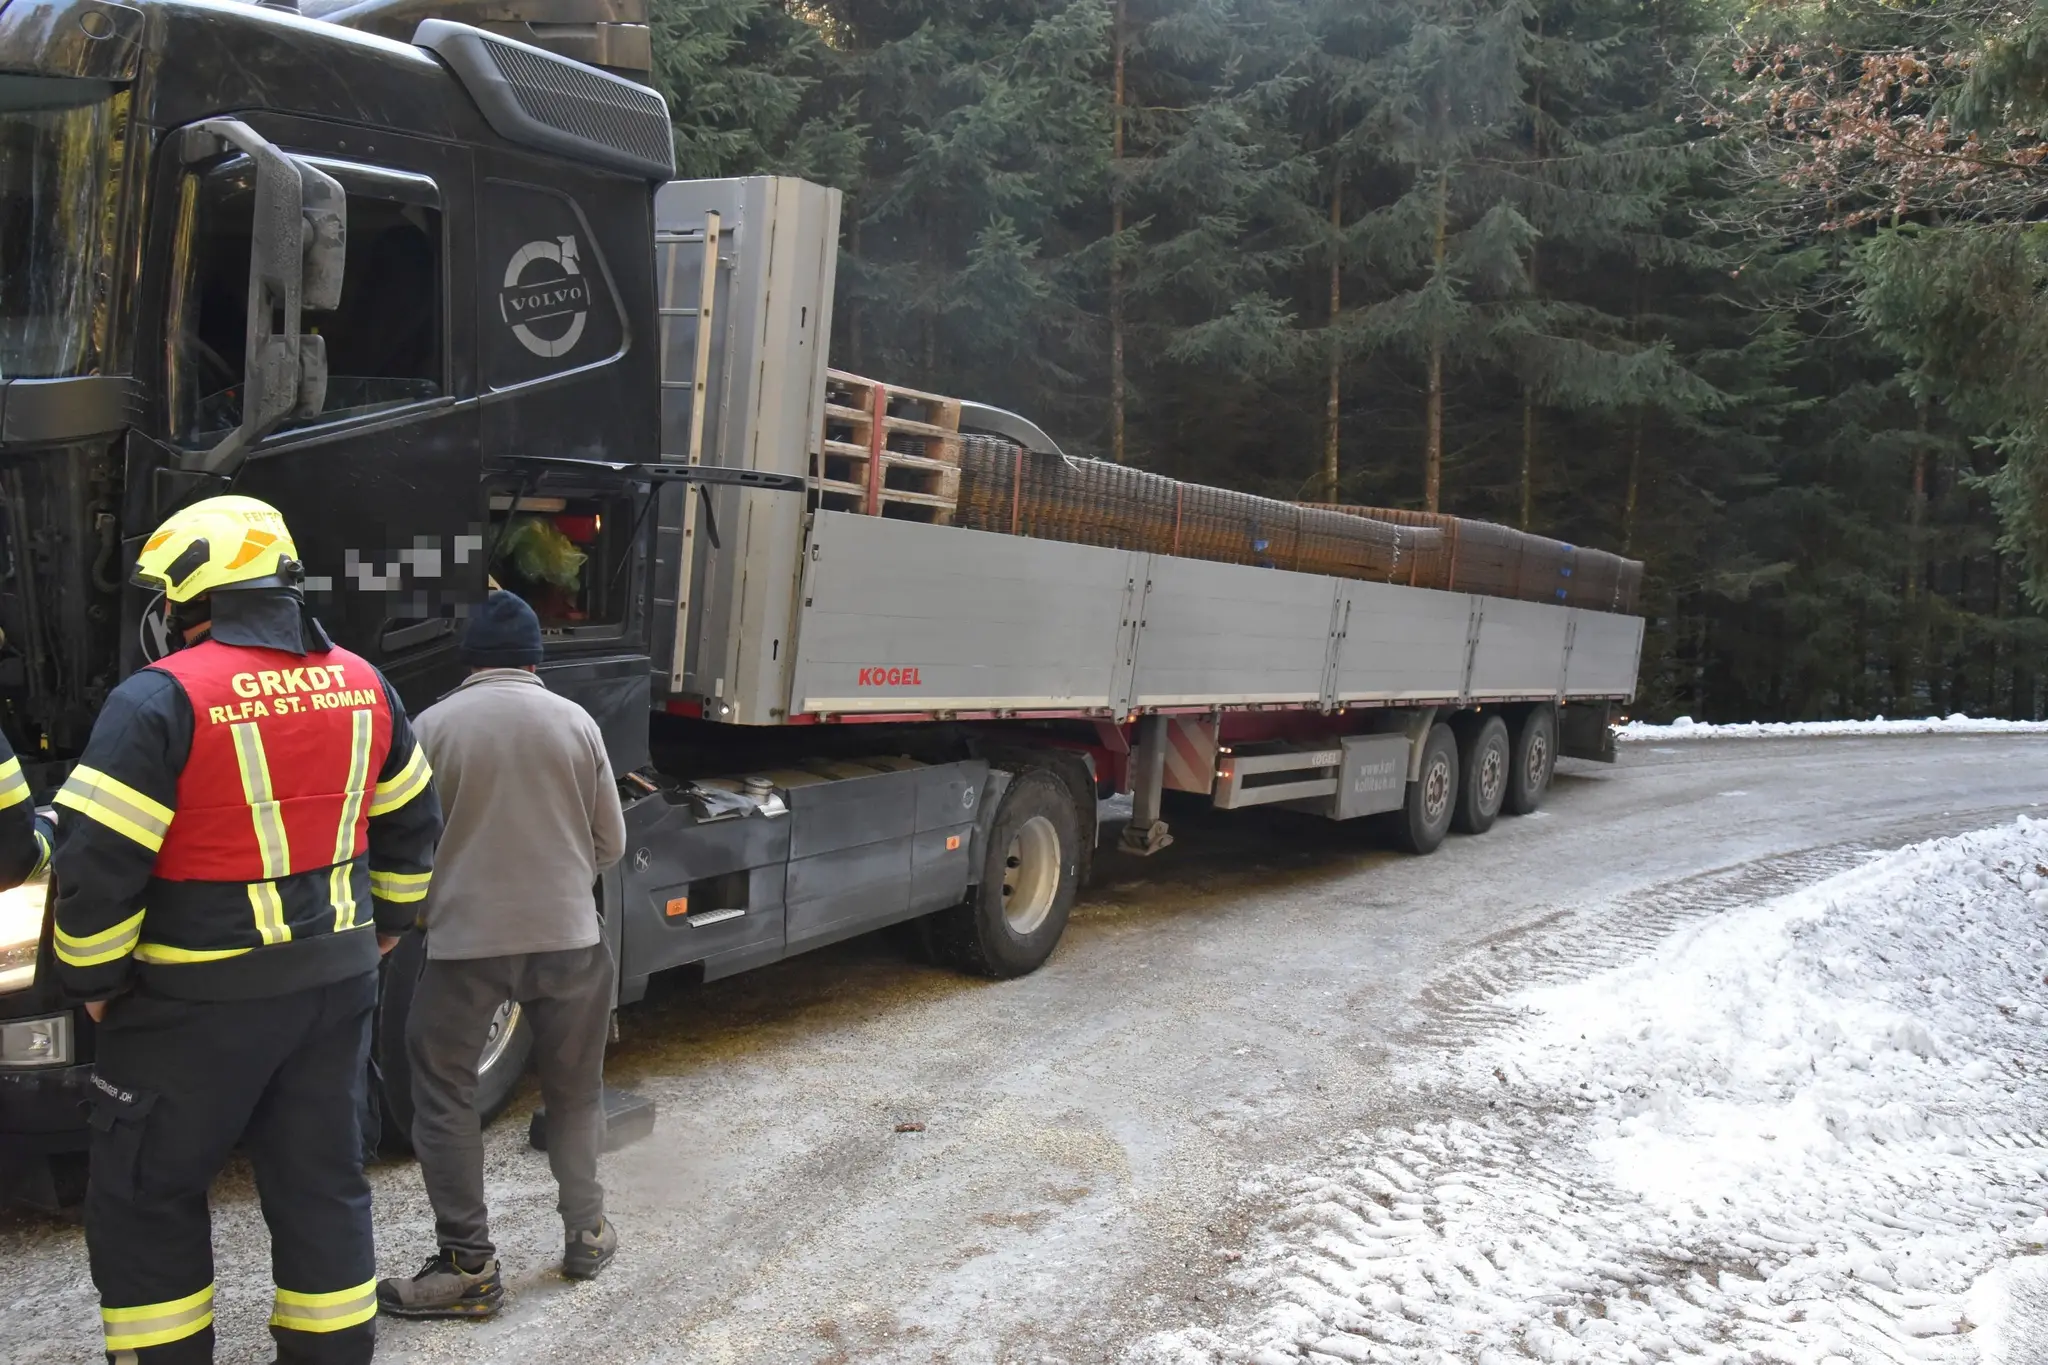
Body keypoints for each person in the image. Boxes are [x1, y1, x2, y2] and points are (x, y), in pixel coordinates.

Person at [51, 495, 443, 1364]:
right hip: (336, 991)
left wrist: (95, 984)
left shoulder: (157, 699)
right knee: (322, 1190)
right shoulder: (362, 681)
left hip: (189, 1002)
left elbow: (92, 868)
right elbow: (416, 821)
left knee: (147, 1198)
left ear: (192, 595)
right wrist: (383, 932)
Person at [377, 590, 626, 1320]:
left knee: (446, 1092)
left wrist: (422, 912)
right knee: (575, 1090)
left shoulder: (430, 726)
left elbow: (402, 842)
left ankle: (467, 1264)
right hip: (570, 941)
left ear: (468, 660)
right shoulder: (576, 723)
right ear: (534, 659)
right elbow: (609, 844)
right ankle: (587, 1230)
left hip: (463, 947)